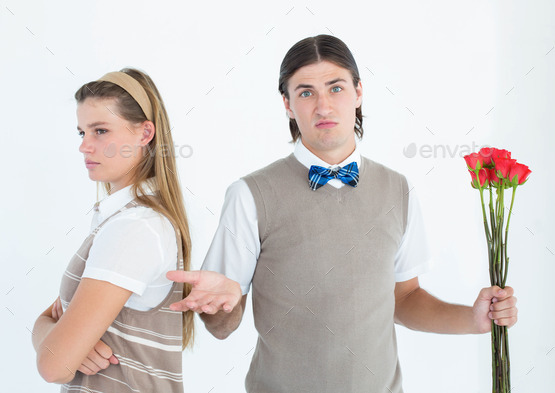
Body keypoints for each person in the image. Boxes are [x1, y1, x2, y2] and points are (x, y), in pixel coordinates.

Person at [167, 35, 518, 392]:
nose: (323, 106)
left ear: (359, 92)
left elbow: (404, 299)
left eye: (335, 88)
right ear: (287, 104)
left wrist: (473, 319)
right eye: (305, 93)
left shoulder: (398, 190)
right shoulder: (249, 195)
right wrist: (219, 310)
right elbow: (222, 328)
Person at [32, 68, 194, 392]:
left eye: (100, 131)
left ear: (145, 133)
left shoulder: (135, 228)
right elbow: (60, 343)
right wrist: (55, 335)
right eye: (82, 133)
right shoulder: (122, 221)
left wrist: (44, 329)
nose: (85, 146)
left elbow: (53, 365)